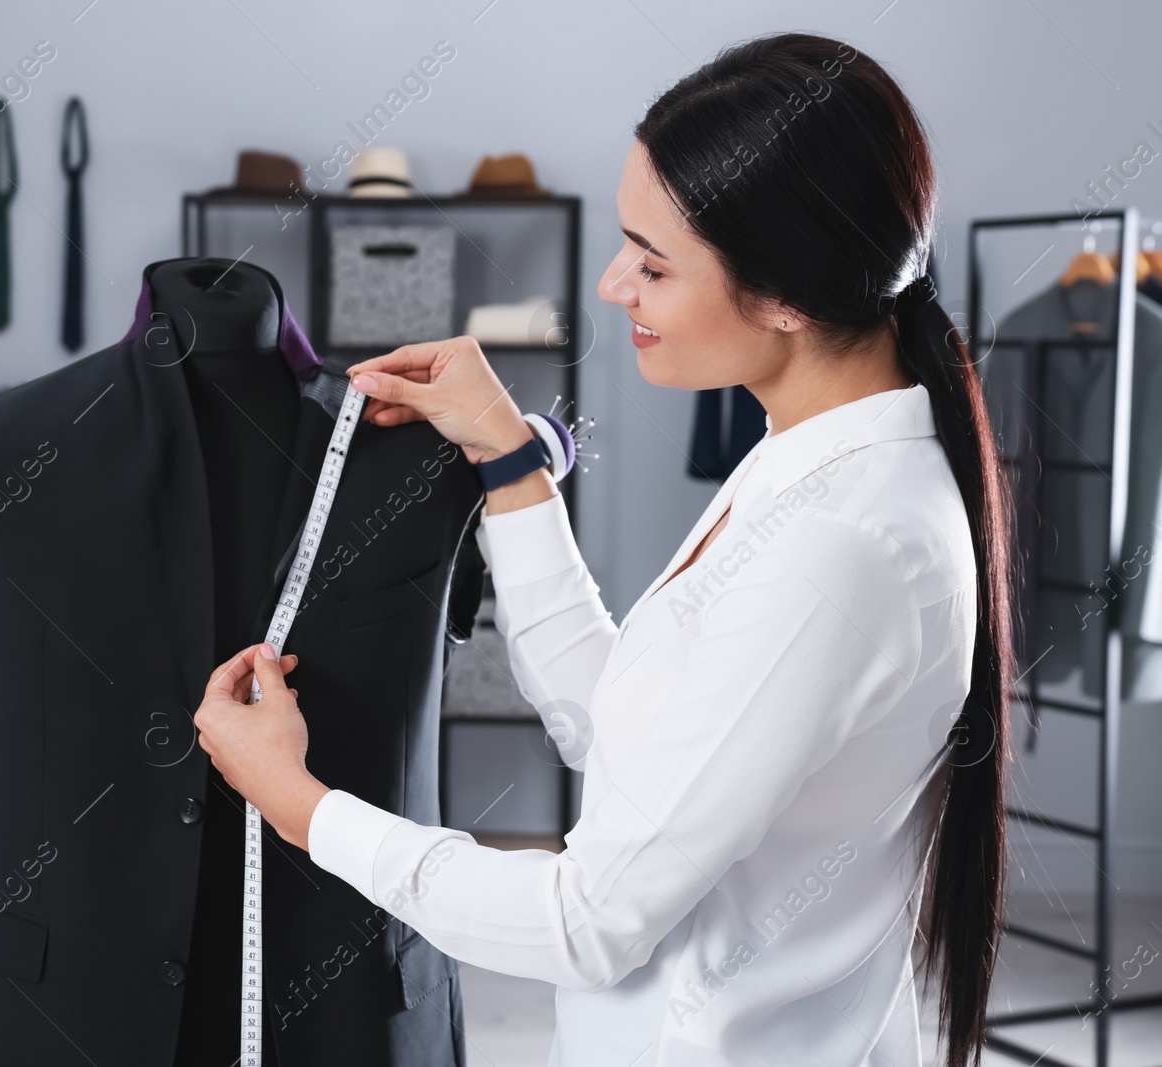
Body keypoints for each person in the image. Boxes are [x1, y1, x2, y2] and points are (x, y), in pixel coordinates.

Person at [194, 32, 1011, 1067]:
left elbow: (585, 921)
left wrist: (302, 807)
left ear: (788, 298)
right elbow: (620, 730)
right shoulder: (807, 462)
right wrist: (507, 463)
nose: (613, 285)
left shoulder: (838, 547)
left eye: (655, 263)